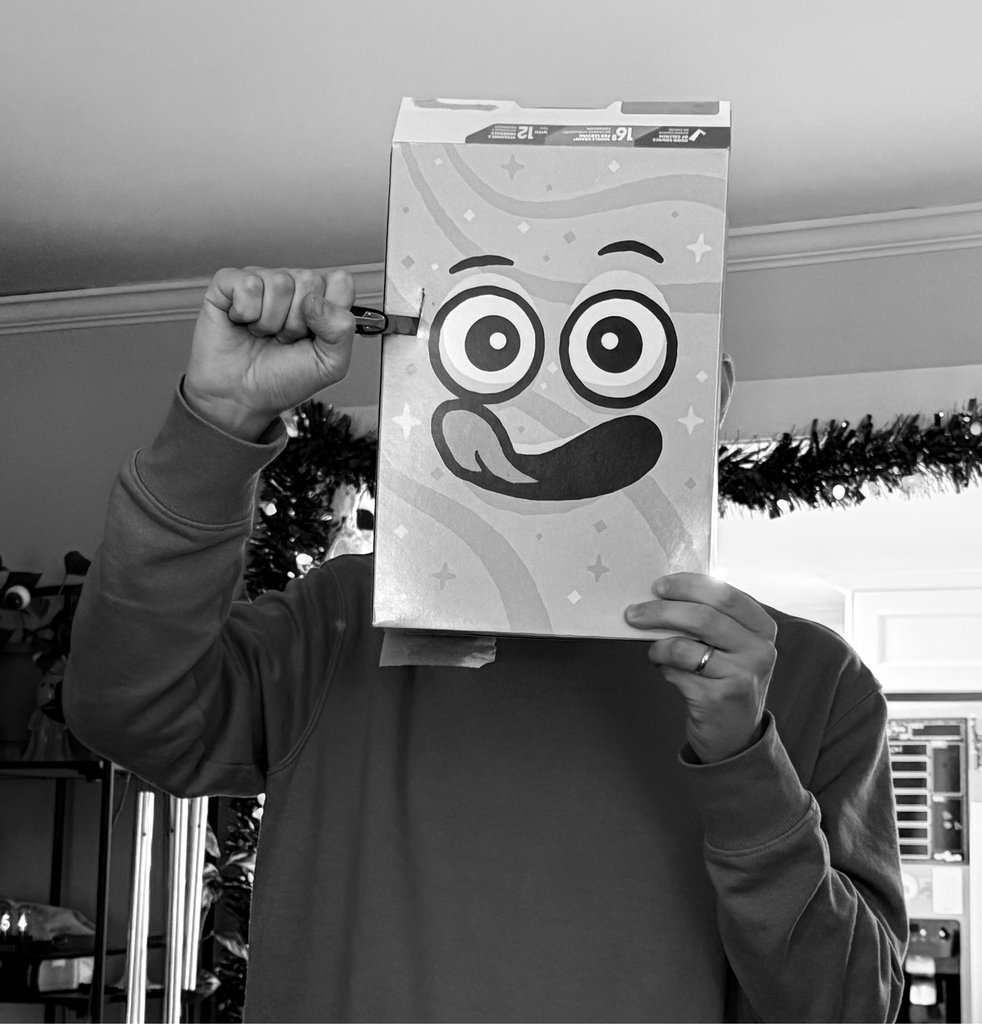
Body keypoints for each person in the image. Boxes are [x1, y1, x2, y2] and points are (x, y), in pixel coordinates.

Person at [64, 266, 908, 1023]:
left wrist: (745, 763)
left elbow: (847, 1005)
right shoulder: (348, 615)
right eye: (495, 345)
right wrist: (215, 424)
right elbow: (132, 711)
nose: (544, 408)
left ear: (707, 394)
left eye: (614, 345)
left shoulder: (810, 680)